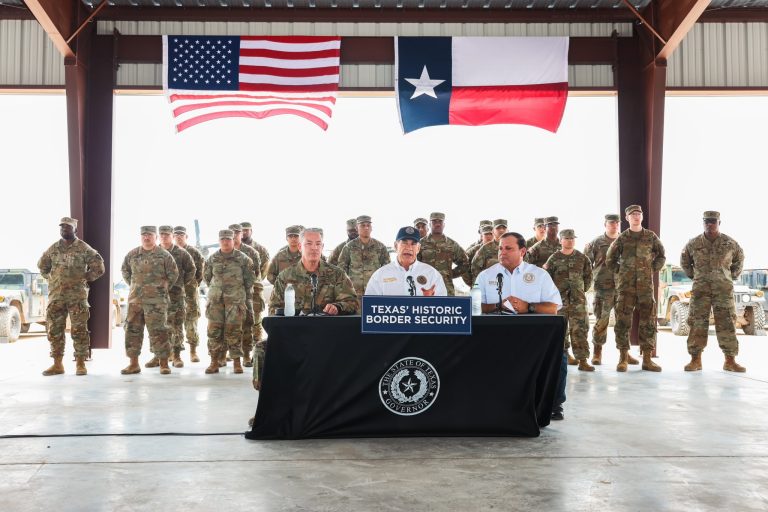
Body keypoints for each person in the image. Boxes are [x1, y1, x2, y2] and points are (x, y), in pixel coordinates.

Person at [474, 232, 565, 420]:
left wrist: (528, 307)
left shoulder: (539, 275)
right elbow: (474, 307)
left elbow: (553, 308)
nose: (502, 252)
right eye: (500, 248)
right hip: (495, 336)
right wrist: (497, 306)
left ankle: (554, 404)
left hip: (532, 337)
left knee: (560, 355)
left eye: (508, 248)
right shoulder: (485, 276)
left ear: (522, 251)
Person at [259, 228, 358, 391]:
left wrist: (338, 307)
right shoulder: (285, 277)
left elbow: (352, 302)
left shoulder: (336, 274)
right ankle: (270, 406)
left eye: (318, 244)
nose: (314, 248)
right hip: (295, 337)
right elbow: (274, 310)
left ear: (322, 246)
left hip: (329, 338)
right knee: (262, 350)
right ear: (299, 247)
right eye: (309, 244)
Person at [37, 216, 105, 376]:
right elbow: (42, 266)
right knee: (54, 330)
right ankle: (57, 364)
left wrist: (86, 277)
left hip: (77, 297)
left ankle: (80, 364)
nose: (64, 230)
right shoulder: (53, 248)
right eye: (61, 227)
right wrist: (51, 279)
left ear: (75, 229)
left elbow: (99, 267)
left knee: (79, 330)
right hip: (56, 297)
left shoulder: (84, 248)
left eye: (67, 227)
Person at [681, 211, 746, 372]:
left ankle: (730, 360)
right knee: (697, 323)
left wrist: (729, 277)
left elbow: (739, 261)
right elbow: (685, 262)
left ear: (719, 223)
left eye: (713, 221)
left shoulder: (730, 243)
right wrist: (696, 276)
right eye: (707, 221)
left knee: (727, 323)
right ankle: (695, 360)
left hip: (723, 290)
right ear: (703, 223)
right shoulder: (693, 243)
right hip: (700, 291)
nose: (710, 224)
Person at [606, 205, 666, 372]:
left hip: (645, 287)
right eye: (632, 214)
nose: (636, 216)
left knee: (648, 321)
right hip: (626, 288)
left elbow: (661, 255)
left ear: (642, 216)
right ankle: (623, 358)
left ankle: (647, 359)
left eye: (638, 213)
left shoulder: (651, 237)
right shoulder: (622, 238)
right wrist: (622, 272)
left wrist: (651, 268)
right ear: (627, 218)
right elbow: (610, 259)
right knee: (623, 322)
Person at [120, 226, 179, 375]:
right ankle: (133, 364)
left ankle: (164, 364)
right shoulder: (132, 254)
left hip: (157, 302)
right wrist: (136, 286)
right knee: (132, 331)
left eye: (150, 235)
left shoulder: (164, 255)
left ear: (156, 237)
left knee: (160, 332)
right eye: (144, 235)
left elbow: (173, 274)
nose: (146, 237)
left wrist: (161, 288)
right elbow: (126, 272)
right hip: (136, 301)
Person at [583, 214, 636, 366]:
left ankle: (624, 353)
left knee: (623, 321)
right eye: (611, 223)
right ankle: (597, 352)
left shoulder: (626, 240)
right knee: (602, 320)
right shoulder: (596, 243)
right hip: (602, 287)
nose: (614, 225)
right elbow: (586, 264)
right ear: (605, 224)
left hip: (622, 287)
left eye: (617, 223)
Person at [204, 229, 255, 375]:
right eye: (222, 239)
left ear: (233, 240)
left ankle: (237, 362)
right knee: (214, 332)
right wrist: (217, 290)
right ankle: (214, 362)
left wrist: (237, 293)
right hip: (216, 302)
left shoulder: (243, 259)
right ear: (219, 241)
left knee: (234, 331)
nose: (225, 242)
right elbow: (207, 277)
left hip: (235, 301)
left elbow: (249, 280)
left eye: (228, 239)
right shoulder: (212, 259)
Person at [545, 229, 594, 371]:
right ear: (561, 240)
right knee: (561, 330)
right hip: (559, 302)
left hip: (578, 302)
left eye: (572, 238)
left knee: (580, 329)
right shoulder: (553, 258)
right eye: (566, 238)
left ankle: (583, 360)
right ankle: (564, 356)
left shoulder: (582, 258)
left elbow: (588, 278)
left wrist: (579, 291)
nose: (570, 241)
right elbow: (547, 279)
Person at [155, 225, 196, 369]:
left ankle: (177, 356)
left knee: (176, 326)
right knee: (157, 326)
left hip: (176, 295)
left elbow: (192, 269)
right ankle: (157, 356)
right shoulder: (154, 251)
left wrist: (181, 284)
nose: (164, 237)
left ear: (172, 235)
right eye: (162, 234)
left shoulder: (181, 253)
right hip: (156, 296)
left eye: (167, 234)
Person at [366, 226, 447, 296]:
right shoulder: (380, 275)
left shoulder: (432, 274)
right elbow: (370, 306)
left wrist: (431, 301)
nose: (409, 248)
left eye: (413, 244)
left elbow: (443, 307)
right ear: (395, 246)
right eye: (404, 243)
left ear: (418, 248)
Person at [229, 223, 264, 368]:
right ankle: (232, 353)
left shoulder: (251, 252)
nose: (237, 235)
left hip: (250, 293)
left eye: (239, 233)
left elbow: (256, 273)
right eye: (233, 233)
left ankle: (247, 354)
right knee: (231, 325)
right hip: (229, 295)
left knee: (249, 323)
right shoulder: (223, 252)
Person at [173, 225, 205, 363]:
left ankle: (193, 351)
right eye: (176, 235)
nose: (179, 237)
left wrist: (192, 284)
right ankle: (173, 353)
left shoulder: (194, 252)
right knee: (173, 323)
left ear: (186, 237)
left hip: (190, 293)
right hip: (174, 294)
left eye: (182, 235)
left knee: (191, 322)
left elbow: (200, 272)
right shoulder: (169, 252)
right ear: (173, 236)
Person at [338, 215, 390, 297]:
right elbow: (342, 269)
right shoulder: (349, 247)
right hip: (354, 293)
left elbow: (386, 269)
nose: (366, 228)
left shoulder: (380, 247)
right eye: (362, 225)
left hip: (374, 292)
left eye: (368, 225)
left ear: (371, 228)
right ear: (357, 228)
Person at [417, 212, 469, 296]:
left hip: (446, 289)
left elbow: (465, 263)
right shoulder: (420, 244)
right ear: (429, 225)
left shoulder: (452, 244)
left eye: (440, 222)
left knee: (447, 308)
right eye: (434, 222)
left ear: (444, 224)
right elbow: (413, 264)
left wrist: (450, 274)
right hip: (425, 289)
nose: (437, 224)